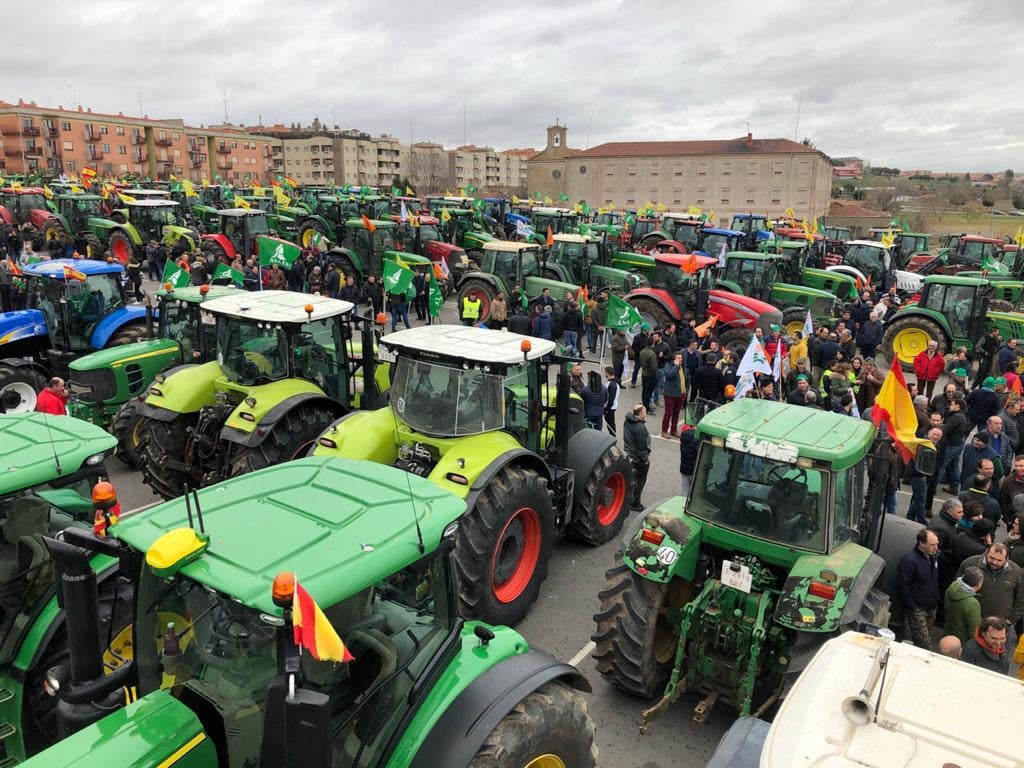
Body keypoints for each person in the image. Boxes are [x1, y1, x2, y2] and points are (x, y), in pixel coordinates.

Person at [957, 543, 1024, 630]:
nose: (994, 562)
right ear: (986, 552)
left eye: (999, 560)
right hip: (973, 621)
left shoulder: (1016, 571)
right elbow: (958, 588)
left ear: (1006, 559)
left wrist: (1011, 620)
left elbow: (1021, 598)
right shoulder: (970, 564)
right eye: (991, 558)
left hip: (1002, 625)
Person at [896, 528, 940, 649]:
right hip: (917, 609)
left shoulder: (933, 556)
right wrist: (913, 608)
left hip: (931, 606)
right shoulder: (909, 560)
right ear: (921, 543)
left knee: (927, 637)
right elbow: (902, 585)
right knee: (924, 643)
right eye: (932, 545)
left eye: (937, 544)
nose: (936, 547)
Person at [928, 495, 964, 598]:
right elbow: (935, 550)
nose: (962, 514)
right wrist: (949, 560)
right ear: (949, 512)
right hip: (943, 569)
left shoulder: (946, 520)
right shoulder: (940, 528)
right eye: (959, 512)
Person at [944, 565, 984, 645]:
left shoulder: (952, 587)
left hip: (949, 634)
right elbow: (973, 629)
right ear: (978, 584)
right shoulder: (972, 603)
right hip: (963, 641)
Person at [624, 404, 651, 512]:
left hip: (630, 455)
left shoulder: (628, 421)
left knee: (631, 478)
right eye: (644, 411)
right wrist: (645, 459)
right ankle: (636, 502)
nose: (646, 413)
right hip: (638, 458)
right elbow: (642, 446)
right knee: (640, 480)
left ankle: (628, 498)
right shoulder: (639, 427)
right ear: (640, 414)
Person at [939, 396, 968, 494]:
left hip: (952, 445)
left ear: (958, 406)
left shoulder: (956, 417)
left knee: (941, 464)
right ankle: (954, 486)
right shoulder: (960, 416)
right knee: (954, 465)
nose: (949, 406)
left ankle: (932, 485)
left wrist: (940, 427)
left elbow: (947, 429)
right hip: (957, 444)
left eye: (952, 404)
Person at [661, 352, 685, 438]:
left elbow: (685, 377)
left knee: (676, 413)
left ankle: (673, 430)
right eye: (678, 358)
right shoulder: (669, 366)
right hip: (670, 394)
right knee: (668, 414)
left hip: (681, 394)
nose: (681, 359)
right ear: (674, 359)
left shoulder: (682, 366)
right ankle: (664, 431)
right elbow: (669, 375)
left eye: (681, 358)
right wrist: (676, 366)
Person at [997, 454, 1024, 526]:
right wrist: (1008, 519)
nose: (1018, 468)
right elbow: (1002, 501)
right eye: (1016, 466)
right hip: (1013, 522)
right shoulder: (1008, 481)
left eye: (1021, 466)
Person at [638, 337, 659, 413]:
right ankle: (646, 408)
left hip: (644, 373)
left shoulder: (642, 351)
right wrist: (656, 375)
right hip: (650, 375)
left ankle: (644, 405)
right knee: (648, 392)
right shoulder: (652, 354)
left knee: (644, 391)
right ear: (653, 344)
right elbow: (653, 367)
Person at [679, 425, 698, 496]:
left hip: (683, 468)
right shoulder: (696, 440)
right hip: (693, 470)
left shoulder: (684, 437)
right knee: (693, 492)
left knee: (685, 489)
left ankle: (683, 505)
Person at [603, 366, 619, 436]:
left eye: (605, 372)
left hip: (610, 408)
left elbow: (611, 399)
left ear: (607, 373)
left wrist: (606, 409)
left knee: (610, 425)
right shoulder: (613, 383)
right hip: (611, 407)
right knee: (610, 424)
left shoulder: (612, 385)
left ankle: (613, 439)